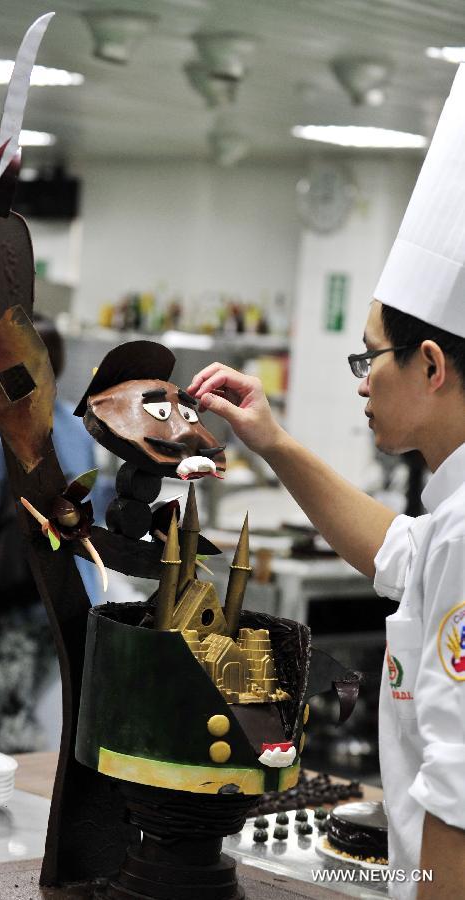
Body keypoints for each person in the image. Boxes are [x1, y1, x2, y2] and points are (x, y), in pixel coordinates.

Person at [188, 70, 465, 900]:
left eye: (369, 356)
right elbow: (394, 548)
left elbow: (460, 794)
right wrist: (270, 440)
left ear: (430, 364)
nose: (360, 381)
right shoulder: (447, 522)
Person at [0, 318, 98, 753]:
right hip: (63, 593)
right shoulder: (76, 429)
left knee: (10, 719)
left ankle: (27, 811)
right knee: (37, 712)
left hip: (8, 595)